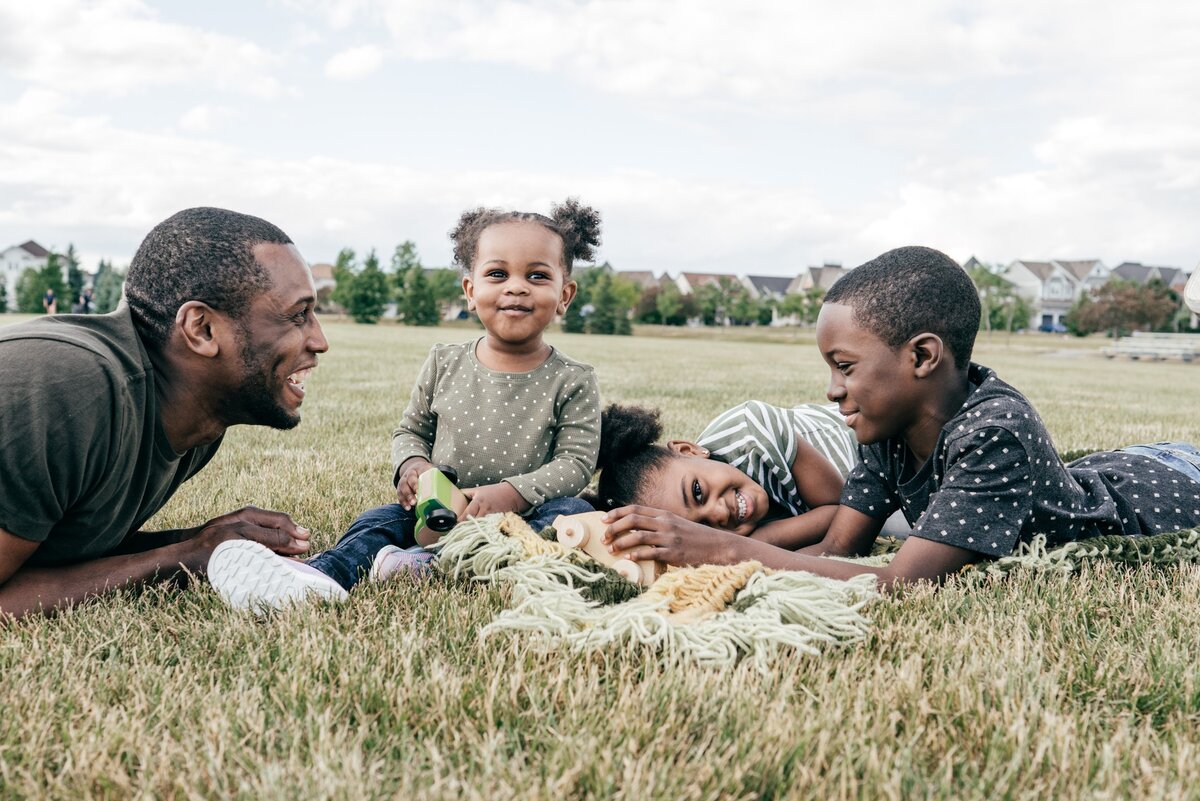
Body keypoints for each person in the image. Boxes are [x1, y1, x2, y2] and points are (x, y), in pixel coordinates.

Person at [602, 246, 1200, 590]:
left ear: (920, 356)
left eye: (845, 366)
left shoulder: (993, 431)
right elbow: (840, 552)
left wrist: (722, 551)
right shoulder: (886, 432)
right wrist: (698, 569)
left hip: (1172, 487)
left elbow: (900, 584)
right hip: (1121, 466)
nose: (833, 391)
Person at [208, 199, 603, 611]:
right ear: (471, 291)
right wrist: (413, 466)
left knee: (571, 513)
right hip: (439, 515)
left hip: (523, 518)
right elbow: (411, 432)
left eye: (537, 276)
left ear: (564, 295)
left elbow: (575, 463)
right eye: (497, 274)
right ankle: (320, 575)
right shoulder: (444, 362)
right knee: (376, 522)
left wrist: (512, 494)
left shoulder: (572, 379)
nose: (516, 286)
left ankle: (448, 568)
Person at [0, 207, 328, 619]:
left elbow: (51, 551)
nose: (319, 340)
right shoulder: (67, 389)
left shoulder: (197, 418)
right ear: (202, 329)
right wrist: (185, 556)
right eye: (298, 315)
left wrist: (206, 542)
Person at [593, 401, 862, 548]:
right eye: (701, 528)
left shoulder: (750, 431)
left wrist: (752, 544)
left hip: (865, 440)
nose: (719, 514)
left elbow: (843, 510)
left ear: (689, 450)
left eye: (697, 492)